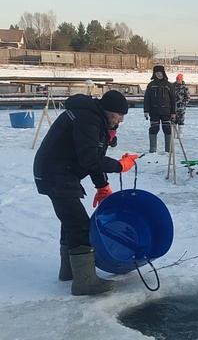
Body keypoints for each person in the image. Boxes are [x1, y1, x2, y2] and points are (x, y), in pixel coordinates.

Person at [33, 90, 139, 295]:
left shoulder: (95, 118)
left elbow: (93, 157)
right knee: (80, 225)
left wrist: (102, 186)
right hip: (55, 173)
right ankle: (85, 282)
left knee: (71, 221)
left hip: (61, 172)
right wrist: (119, 166)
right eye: (118, 115)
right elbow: (90, 159)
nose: (121, 120)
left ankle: (69, 272)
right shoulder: (88, 120)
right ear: (108, 111)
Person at [144, 65, 176, 153]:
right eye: (157, 73)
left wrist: (173, 112)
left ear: (163, 73)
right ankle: (153, 149)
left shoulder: (168, 85)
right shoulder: (151, 85)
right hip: (154, 111)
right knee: (154, 129)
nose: (159, 74)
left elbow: (173, 99)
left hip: (166, 111)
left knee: (167, 129)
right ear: (154, 74)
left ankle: (168, 150)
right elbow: (147, 99)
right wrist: (146, 111)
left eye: (160, 73)